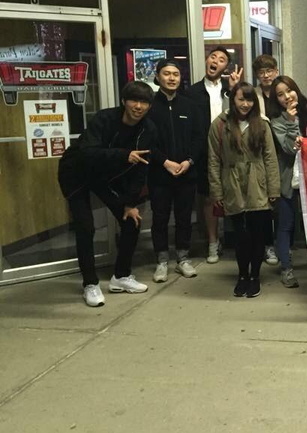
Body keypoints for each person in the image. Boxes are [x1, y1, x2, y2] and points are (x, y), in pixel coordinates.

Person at [58, 81, 157, 307]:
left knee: (131, 221)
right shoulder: (104, 118)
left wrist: (130, 203)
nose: (138, 106)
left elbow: (141, 168)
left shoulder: (149, 129)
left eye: (144, 102)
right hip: (76, 173)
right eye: (134, 100)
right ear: (124, 101)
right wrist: (123, 155)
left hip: (105, 176)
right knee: (85, 226)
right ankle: (90, 284)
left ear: (150, 106)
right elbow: (87, 152)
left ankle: (121, 276)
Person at [208, 82, 280, 298]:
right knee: (240, 234)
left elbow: (270, 158)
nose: (245, 104)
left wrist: (273, 189)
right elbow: (213, 159)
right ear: (233, 100)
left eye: (249, 100)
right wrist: (216, 191)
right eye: (241, 99)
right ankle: (242, 275)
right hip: (232, 182)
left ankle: (255, 276)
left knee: (257, 233)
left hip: (258, 182)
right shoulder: (219, 124)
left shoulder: (262, 124)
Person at [147, 60, 203, 283]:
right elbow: (145, 140)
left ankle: (183, 258)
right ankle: (161, 261)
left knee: (184, 217)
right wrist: (164, 162)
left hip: (186, 172)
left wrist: (189, 161)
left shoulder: (190, 106)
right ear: (158, 77)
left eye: (176, 74)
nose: (172, 78)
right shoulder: (150, 105)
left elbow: (199, 137)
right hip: (159, 174)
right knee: (160, 218)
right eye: (167, 74)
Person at [185, 46, 242, 264]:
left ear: (226, 67)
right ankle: (212, 242)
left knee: (235, 193)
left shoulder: (231, 90)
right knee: (209, 197)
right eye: (213, 57)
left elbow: (240, 114)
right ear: (207, 60)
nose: (215, 61)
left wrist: (234, 89)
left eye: (221, 59)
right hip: (205, 150)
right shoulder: (192, 92)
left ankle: (236, 239)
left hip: (231, 149)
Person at [268, 75, 307, 288]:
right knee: (286, 224)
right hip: (287, 179)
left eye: (289, 90)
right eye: (280, 94)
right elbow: (290, 148)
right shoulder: (277, 120)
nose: (286, 96)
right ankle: (286, 268)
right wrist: (291, 121)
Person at [252, 54, 281, 266]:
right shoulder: (253, 95)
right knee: (264, 204)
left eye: (269, 70)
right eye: (261, 72)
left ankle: (282, 245)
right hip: (260, 153)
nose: (266, 75)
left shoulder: (283, 92)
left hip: (282, 152)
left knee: (280, 203)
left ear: (276, 71)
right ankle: (266, 245)